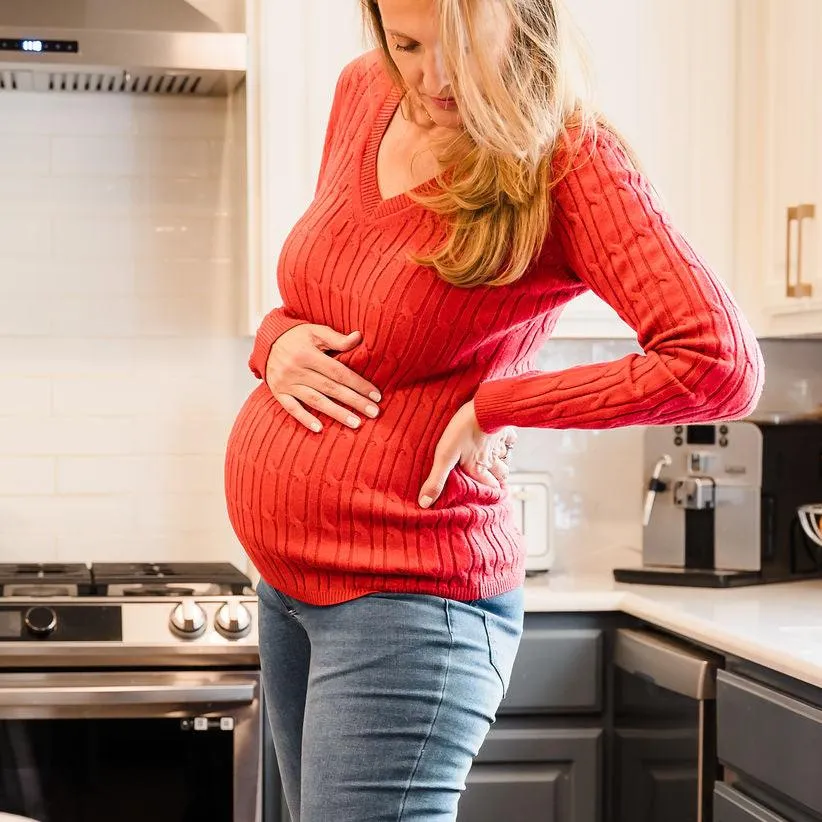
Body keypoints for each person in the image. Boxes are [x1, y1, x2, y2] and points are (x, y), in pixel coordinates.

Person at [224, 0, 764, 819]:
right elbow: (331, 289)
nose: (432, 78)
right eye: (406, 44)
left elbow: (717, 361)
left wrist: (499, 406)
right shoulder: (364, 92)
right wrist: (274, 340)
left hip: (407, 606)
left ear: (521, 20)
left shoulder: (571, 160)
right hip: (290, 585)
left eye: (459, 47)